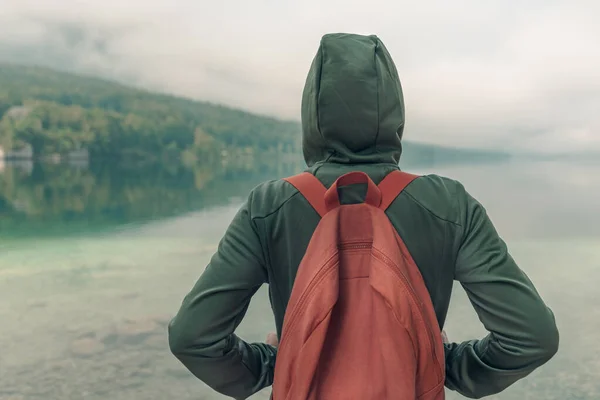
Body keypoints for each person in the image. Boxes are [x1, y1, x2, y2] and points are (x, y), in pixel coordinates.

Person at [168, 33, 559, 399]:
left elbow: (193, 337)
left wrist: (273, 364)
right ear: (394, 112)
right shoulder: (449, 205)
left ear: (312, 113)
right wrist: (447, 364)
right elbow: (530, 338)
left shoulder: (269, 206)